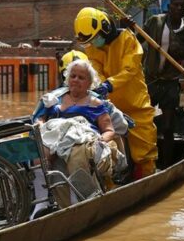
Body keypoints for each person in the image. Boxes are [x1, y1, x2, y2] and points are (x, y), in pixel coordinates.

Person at [74, 7, 158, 179]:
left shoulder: (128, 39)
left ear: (105, 27)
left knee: (144, 149)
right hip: (111, 105)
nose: (94, 42)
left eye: (95, 38)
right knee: (108, 148)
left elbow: (130, 68)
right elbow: (95, 67)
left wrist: (109, 84)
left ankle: (147, 178)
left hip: (135, 103)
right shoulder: (92, 47)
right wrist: (100, 84)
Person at [34, 59, 126, 205]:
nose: (76, 80)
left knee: (77, 157)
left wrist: (100, 140)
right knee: (38, 154)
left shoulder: (95, 103)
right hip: (56, 137)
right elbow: (41, 118)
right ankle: (42, 202)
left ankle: (83, 199)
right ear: (67, 78)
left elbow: (109, 130)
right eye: (73, 76)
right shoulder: (55, 99)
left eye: (81, 77)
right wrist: (40, 125)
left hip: (81, 139)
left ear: (90, 83)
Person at [142, 0, 184, 167]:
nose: (178, 9)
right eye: (175, 5)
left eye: (182, 6)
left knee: (167, 127)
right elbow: (136, 40)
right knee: (142, 120)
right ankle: (141, 161)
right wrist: (127, 27)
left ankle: (167, 166)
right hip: (150, 79)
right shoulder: (155, 21)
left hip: (170, 82)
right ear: (169, 7)